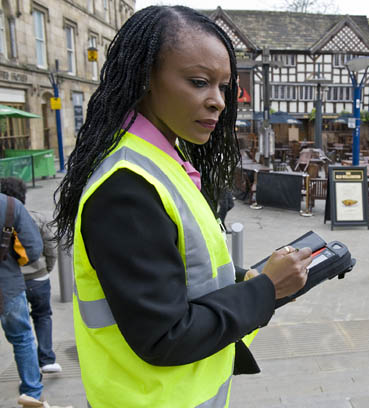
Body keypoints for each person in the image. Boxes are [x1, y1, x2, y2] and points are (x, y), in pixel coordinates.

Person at [52, 6, 312, 407]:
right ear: (145, 78)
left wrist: (254, 277)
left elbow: (184, 273)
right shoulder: (127, 186)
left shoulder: (162, 162)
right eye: (199, 82)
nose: (219, 102)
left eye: (224, 86)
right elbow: (163, 335)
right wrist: (266, 289)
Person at [0, 178, 61, 374]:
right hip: (34, 279)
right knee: (40, 319)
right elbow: (47, 248)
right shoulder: (31, 216)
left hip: (13, 283)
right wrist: (47, 268)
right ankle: (44, 361)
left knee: (21, 330)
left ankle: (30, 372)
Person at [0, 191, 44, 404]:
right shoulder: (10, 205)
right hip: (7, 285)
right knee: (22, 338)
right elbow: (33, 250)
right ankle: (31, 392)